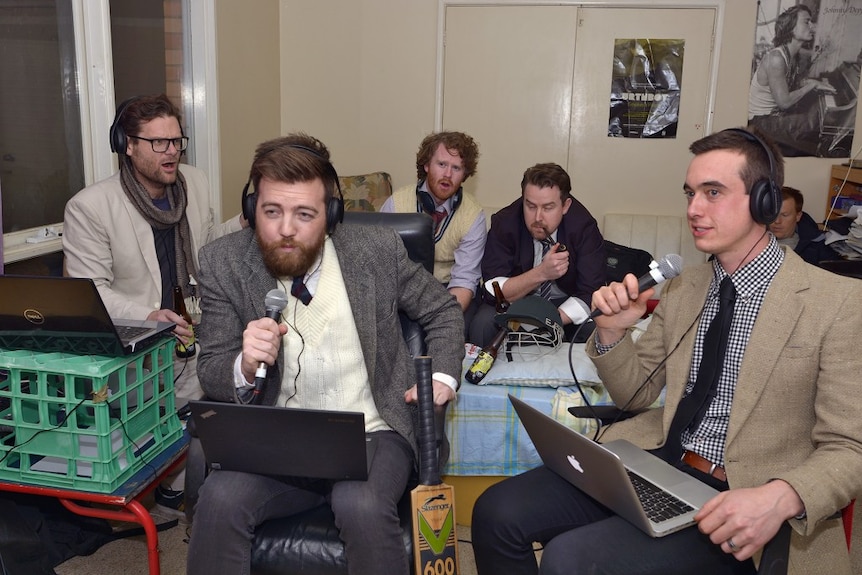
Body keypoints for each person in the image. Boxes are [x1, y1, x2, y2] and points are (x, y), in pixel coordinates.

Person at [471, 127, 862, 574]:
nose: (693, 209)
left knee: (571, 558)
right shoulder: (685, 287)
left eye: (712, 193)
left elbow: (851, 446)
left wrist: (781, 496)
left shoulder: (837, 303)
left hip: (738, 498)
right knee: (496, 513)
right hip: (658, 461)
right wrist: (614, 333)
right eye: (690, 193)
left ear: (764, 202)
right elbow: (634, 397)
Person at [185, 133, 464, 575]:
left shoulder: (375, 252)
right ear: (252, 207)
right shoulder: (222, 262)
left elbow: (443, 311)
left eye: (305, 214)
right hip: (275, 440)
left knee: (360, 502)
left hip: (373, 431)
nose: (286, 229)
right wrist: (243, 363)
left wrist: (444, 379)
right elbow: (213, 369)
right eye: (272, 211)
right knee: (219, 498)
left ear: (331, 215)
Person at [62, 93, 245, 513]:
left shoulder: (193, 182)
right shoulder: (91, 207)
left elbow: (207, 250)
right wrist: (148, 315)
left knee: (208, 407)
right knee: (152, 430)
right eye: (158, 143)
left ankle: (177, 492)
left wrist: (243, 223)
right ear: (128, 144)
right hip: (138, 342)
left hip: (193, 327)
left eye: (177, 140)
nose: (172, 152)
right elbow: (90, 291)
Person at [469, 162, 605, 347]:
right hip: (517, 300)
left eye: (548, 207)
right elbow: (493, 289)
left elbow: (591, 291)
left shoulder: (583, 227)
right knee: (483, 323)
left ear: (565, 206)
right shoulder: (505, 223)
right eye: (530, 206)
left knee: (596, 328)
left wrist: (547, 321)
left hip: (564, 303)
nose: (537, 217)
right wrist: (542, 273)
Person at [380, 131, 486, 315]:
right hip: (403, 291)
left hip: (449, 291)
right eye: (442, 164)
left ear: (464, 174)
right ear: (427, 165)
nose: (447, 174)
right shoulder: (397, 203)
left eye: (456, 168)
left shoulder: (473, 215)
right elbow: (380, 263)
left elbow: (464, 279)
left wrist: (442, 318)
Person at [748, 5, 835, 156]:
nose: (812, 26)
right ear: (791, 27)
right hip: (760, 122)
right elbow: (784, 102)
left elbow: (794, 82)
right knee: (817, 124)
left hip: (774, 117)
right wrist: (812, 85)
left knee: (817, 115)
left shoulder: (793, 55)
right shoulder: (776, 58)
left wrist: (813, 84)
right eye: (806, 22)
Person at [769, 185, 838, 265]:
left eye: (784, 215)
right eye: (772, 215)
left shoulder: (817, 245)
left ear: (798, 216)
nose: (777, 221)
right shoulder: (754, 241)